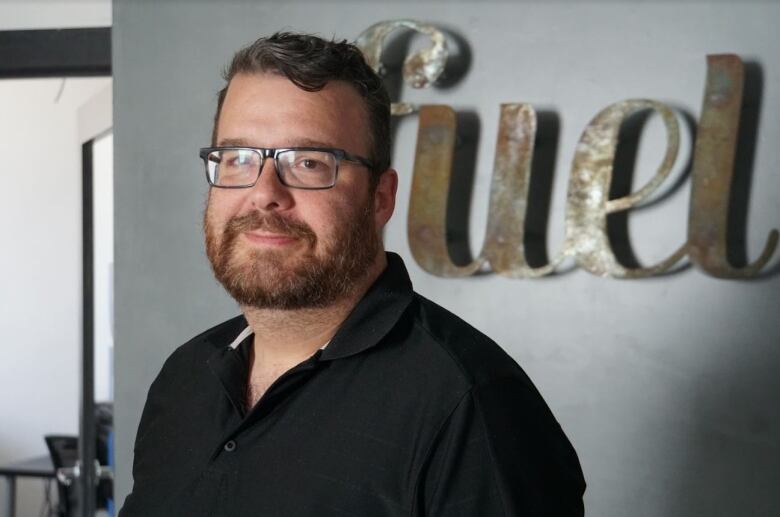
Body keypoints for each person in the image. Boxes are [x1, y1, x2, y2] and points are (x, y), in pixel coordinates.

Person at [120, 32, 585, 516]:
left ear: (381, 198)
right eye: (238, 158)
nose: (264, 194)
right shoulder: (184, 378)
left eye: (308, 162)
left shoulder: (471, 403)